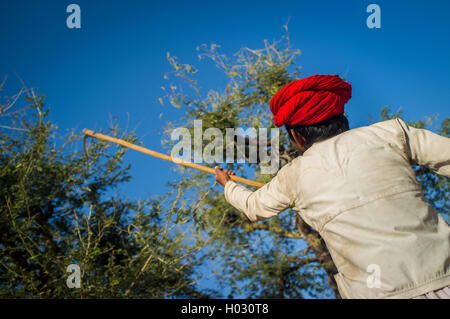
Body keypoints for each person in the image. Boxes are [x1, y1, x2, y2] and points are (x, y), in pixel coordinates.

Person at [214, 74, 450, 299]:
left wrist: (228, 184)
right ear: (341, 118)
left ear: (297, 136)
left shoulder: (293, 175)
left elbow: (252, 206)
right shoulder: (391, 133)